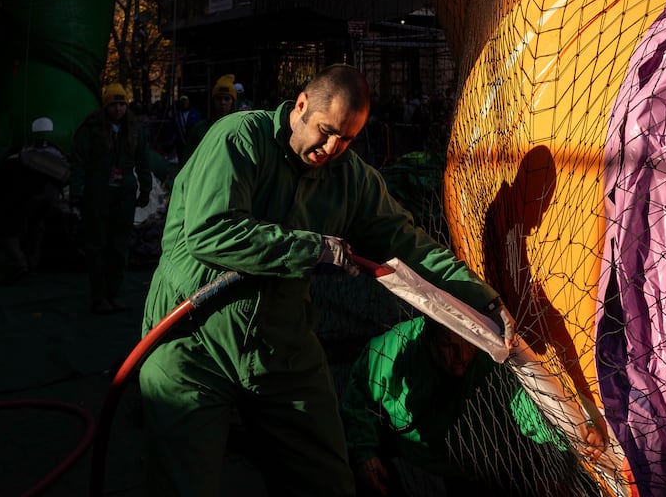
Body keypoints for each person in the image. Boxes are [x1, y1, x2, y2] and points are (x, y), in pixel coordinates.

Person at [138, 63, 514, 497]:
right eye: (326, 130)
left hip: (282, 347)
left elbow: (406, 244)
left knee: (327, 481)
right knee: (184, 485)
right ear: (300, 105)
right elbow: (210, 232)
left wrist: (480, 299)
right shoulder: (238, 138)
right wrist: (311, 248)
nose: (332, 147)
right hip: (191, 342)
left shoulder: (351, 178)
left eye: (348, 138)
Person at [342, 317, 565, 497]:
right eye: (450, 346)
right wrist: (364, 450)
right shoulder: (393, 352)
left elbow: (525, 405)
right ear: (429, 338)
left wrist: (564, 430)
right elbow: (358, 393)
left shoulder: (490, 357)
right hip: (399, 447)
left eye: (469, 342)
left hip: (475, 466)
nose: (462, 356)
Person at [71, 83, 165, 313]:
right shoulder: (90, 130)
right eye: (114, 104)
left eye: (122, 103)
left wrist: (144, 189)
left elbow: (143, 161)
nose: (118, 108)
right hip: (98, 194)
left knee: (120, 246)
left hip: (124, 194)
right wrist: (77, 190)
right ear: (106, 106)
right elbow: (79, 162)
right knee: (97, 245)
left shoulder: (134, 130)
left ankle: (113, 293)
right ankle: (99, 296)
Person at [0, 117, 72, 284]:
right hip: (51, 197)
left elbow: (3, 185)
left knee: (7, 232)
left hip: (27, 197)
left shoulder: (16, 157)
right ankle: (32, 266)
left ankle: (19, 263)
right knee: (36, 228)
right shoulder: (55, 154)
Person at [180, 73, 238, 162]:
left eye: (227, 99)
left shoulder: (240, 130)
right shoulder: (199, 129)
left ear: (232, 102)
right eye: (219, 98)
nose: (222, 102)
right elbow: (187, 160)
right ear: (213, 101)